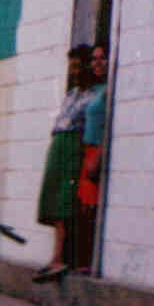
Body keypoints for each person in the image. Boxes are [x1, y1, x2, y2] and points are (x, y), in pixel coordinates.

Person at [34, 44, 94, 282]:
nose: (75, 72)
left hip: (73, 146)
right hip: (58, 145)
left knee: (65, 202)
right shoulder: (71, 95)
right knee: (52, 201)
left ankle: (62, 258)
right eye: (72, 67)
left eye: (78, 67)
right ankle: (56, 257)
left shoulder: (93, 95)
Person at [73, 42, 109, 272]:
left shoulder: (108, 89)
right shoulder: (91, 89)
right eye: (94, 59)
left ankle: (86, 262)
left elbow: (108, 123)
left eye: (102, 58)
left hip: (96, 149)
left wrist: (99, 155)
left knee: (90, 205)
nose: (97, 63)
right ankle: (79, 260)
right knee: (82, 204)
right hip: (84, 148)